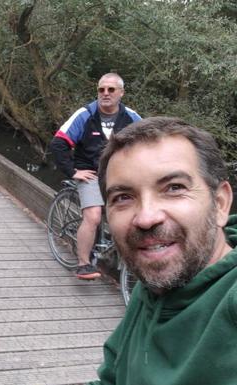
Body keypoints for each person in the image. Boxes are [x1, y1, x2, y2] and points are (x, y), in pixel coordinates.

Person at [89, 117, 236, 385]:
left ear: (220, 204)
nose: (146, 218)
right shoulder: (150, 287)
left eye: (174, 188)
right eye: (123, 197)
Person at [50, 73, 141, 280]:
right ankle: (83, 263)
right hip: (90, 173)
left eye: (111, 89)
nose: (105, 93)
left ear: (121, 93)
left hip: (119, 175)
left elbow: (149, 144)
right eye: (101, 89)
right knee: (93, 216)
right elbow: (58, 143)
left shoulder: (131, 117)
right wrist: (73, 171)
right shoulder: (85, 114)